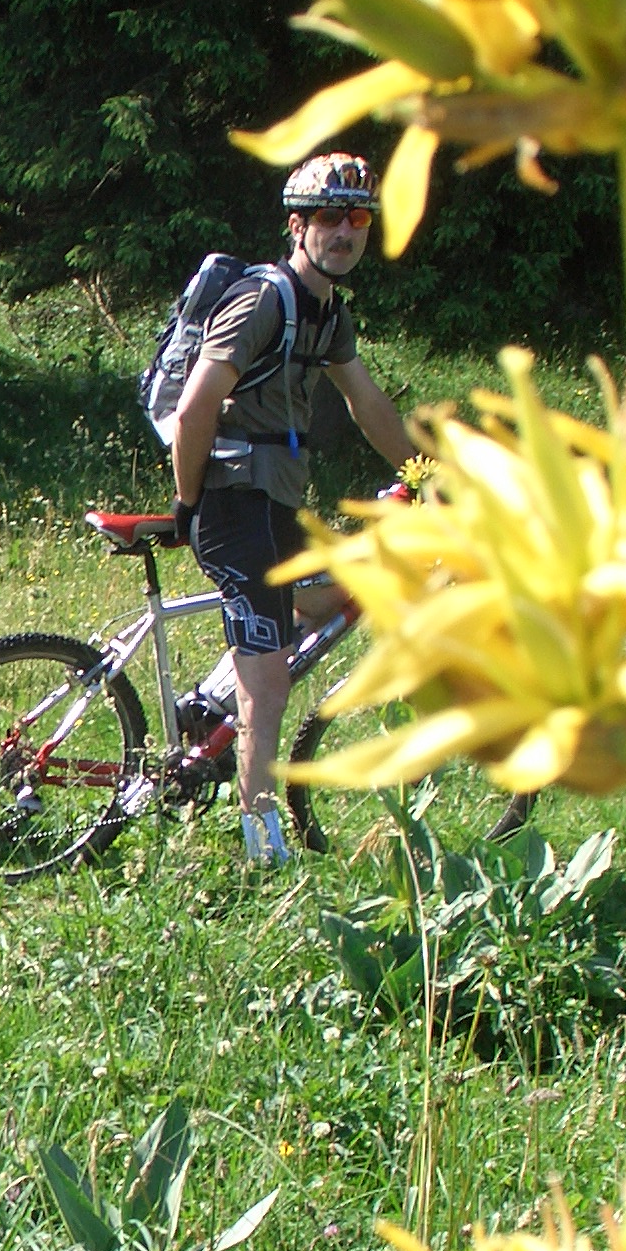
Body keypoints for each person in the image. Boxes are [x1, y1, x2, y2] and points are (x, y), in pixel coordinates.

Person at [169, 150, 414, 866]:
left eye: (358, 218)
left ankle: (207, 707)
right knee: (269, 681)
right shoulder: (264, 301)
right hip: (230, 499)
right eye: (330, 218)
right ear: (298, 225)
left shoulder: (327, 314)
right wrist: (187, 506)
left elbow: (367, 404)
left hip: (275, 498)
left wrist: (424, 474)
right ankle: (261, 849)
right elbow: (194, 410)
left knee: (332, 591)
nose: (346, 232)